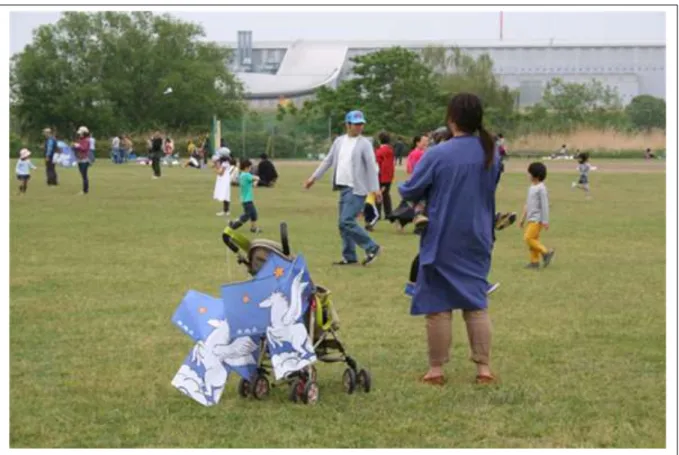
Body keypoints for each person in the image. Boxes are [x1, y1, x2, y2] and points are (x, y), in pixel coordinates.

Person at [398, 93, 501, 386]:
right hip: (478, 234)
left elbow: (411, 188)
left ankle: (436, 370)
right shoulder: (491, 153)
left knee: (438, 305)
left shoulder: (438, 154)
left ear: (451, 118)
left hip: (442, 236)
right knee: (475, 303)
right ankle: (483, 369)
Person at [304, 110, 382, 266]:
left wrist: (375, 188)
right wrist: (314, 177)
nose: (359, 127)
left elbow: (371, 167)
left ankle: (372, 247)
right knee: (343, 223)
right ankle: (349, 256)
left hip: (356, 188)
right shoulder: (339, 141)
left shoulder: (365, 144)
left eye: (361, 124)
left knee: (346, 221)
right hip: (343, 187)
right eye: (356, 124)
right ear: (347, 125)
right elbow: (328, 160)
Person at [520, 162, 555, 269]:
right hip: (531, 219)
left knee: (528, 238)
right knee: (533, 241)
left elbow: (545, 206)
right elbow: (527, 203)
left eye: (529, 173)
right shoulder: (531, 187)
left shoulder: (541, 188)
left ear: (536, 175)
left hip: (537, 220)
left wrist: (545, 221)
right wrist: (523, 218)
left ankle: (545, 252)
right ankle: (534, 262)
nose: (528, 175)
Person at [228, 159, 261, 233]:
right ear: (246, 167)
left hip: (245, 199)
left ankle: (253, 228)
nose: (250, 169)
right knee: (246, 216)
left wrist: (255, 181)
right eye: (250, 168)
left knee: (253, 214)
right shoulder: (246, 175)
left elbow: (252, 183)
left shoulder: (242, 175)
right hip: (247, 200)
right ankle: (233, 225)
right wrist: (258, 178)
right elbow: (254, 178)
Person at [374, 131, 394, 219]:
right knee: (386, 195)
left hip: (380, 176)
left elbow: (377, 164)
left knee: (378, 195)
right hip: (388, 177)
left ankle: (377, 214)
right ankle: (388, 213)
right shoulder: (390, 150)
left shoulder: (379, 151)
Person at [73, 126, 92, 195]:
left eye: (81, 133)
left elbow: (84, 148)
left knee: (84, 176)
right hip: (79, 160)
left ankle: (85, 190)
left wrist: (77, 146)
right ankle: (85, 190)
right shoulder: (80, 140)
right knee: (83, 175)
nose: (79, 135)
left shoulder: (86, 140)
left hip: (84, 160)